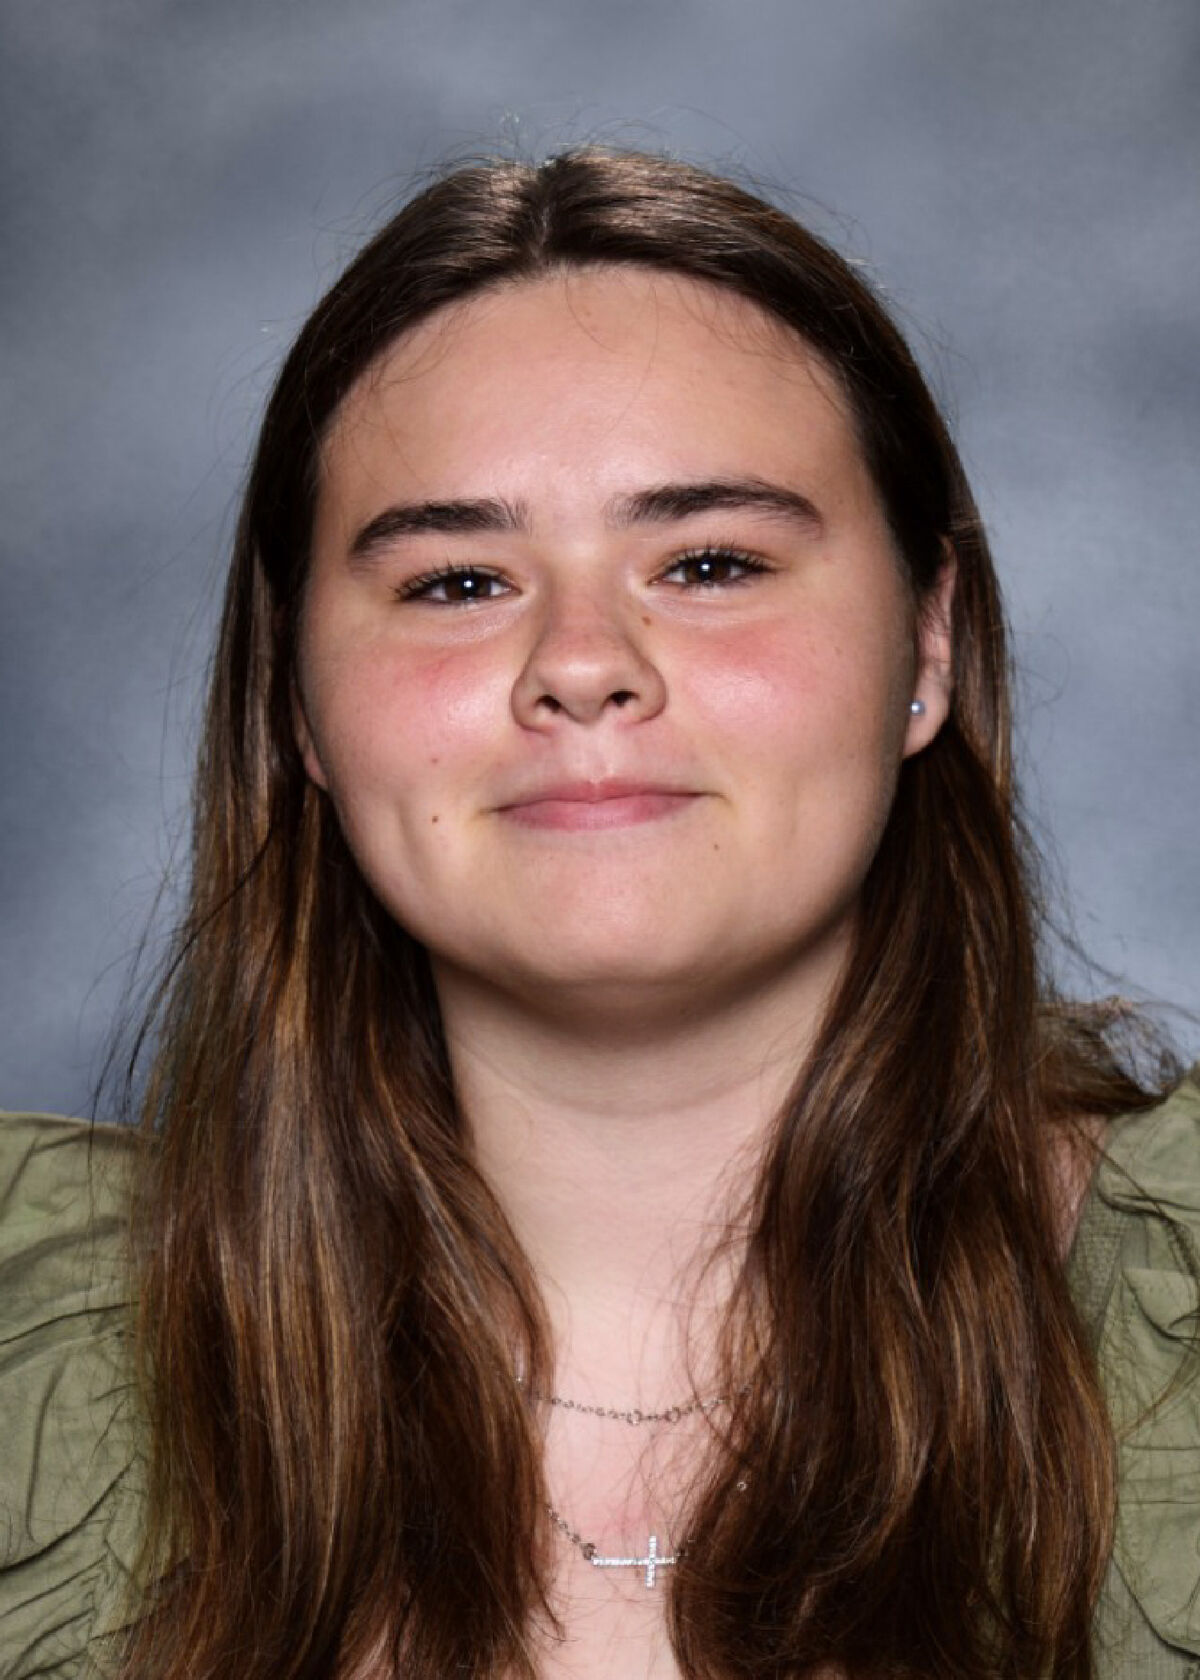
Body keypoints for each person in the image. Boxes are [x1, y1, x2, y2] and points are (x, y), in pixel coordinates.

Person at [1, 147, 1197, 1680]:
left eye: (709, 562)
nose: (580, 663)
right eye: (456, 582)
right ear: (297, 702)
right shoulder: (35, 1362)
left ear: (928, 646)